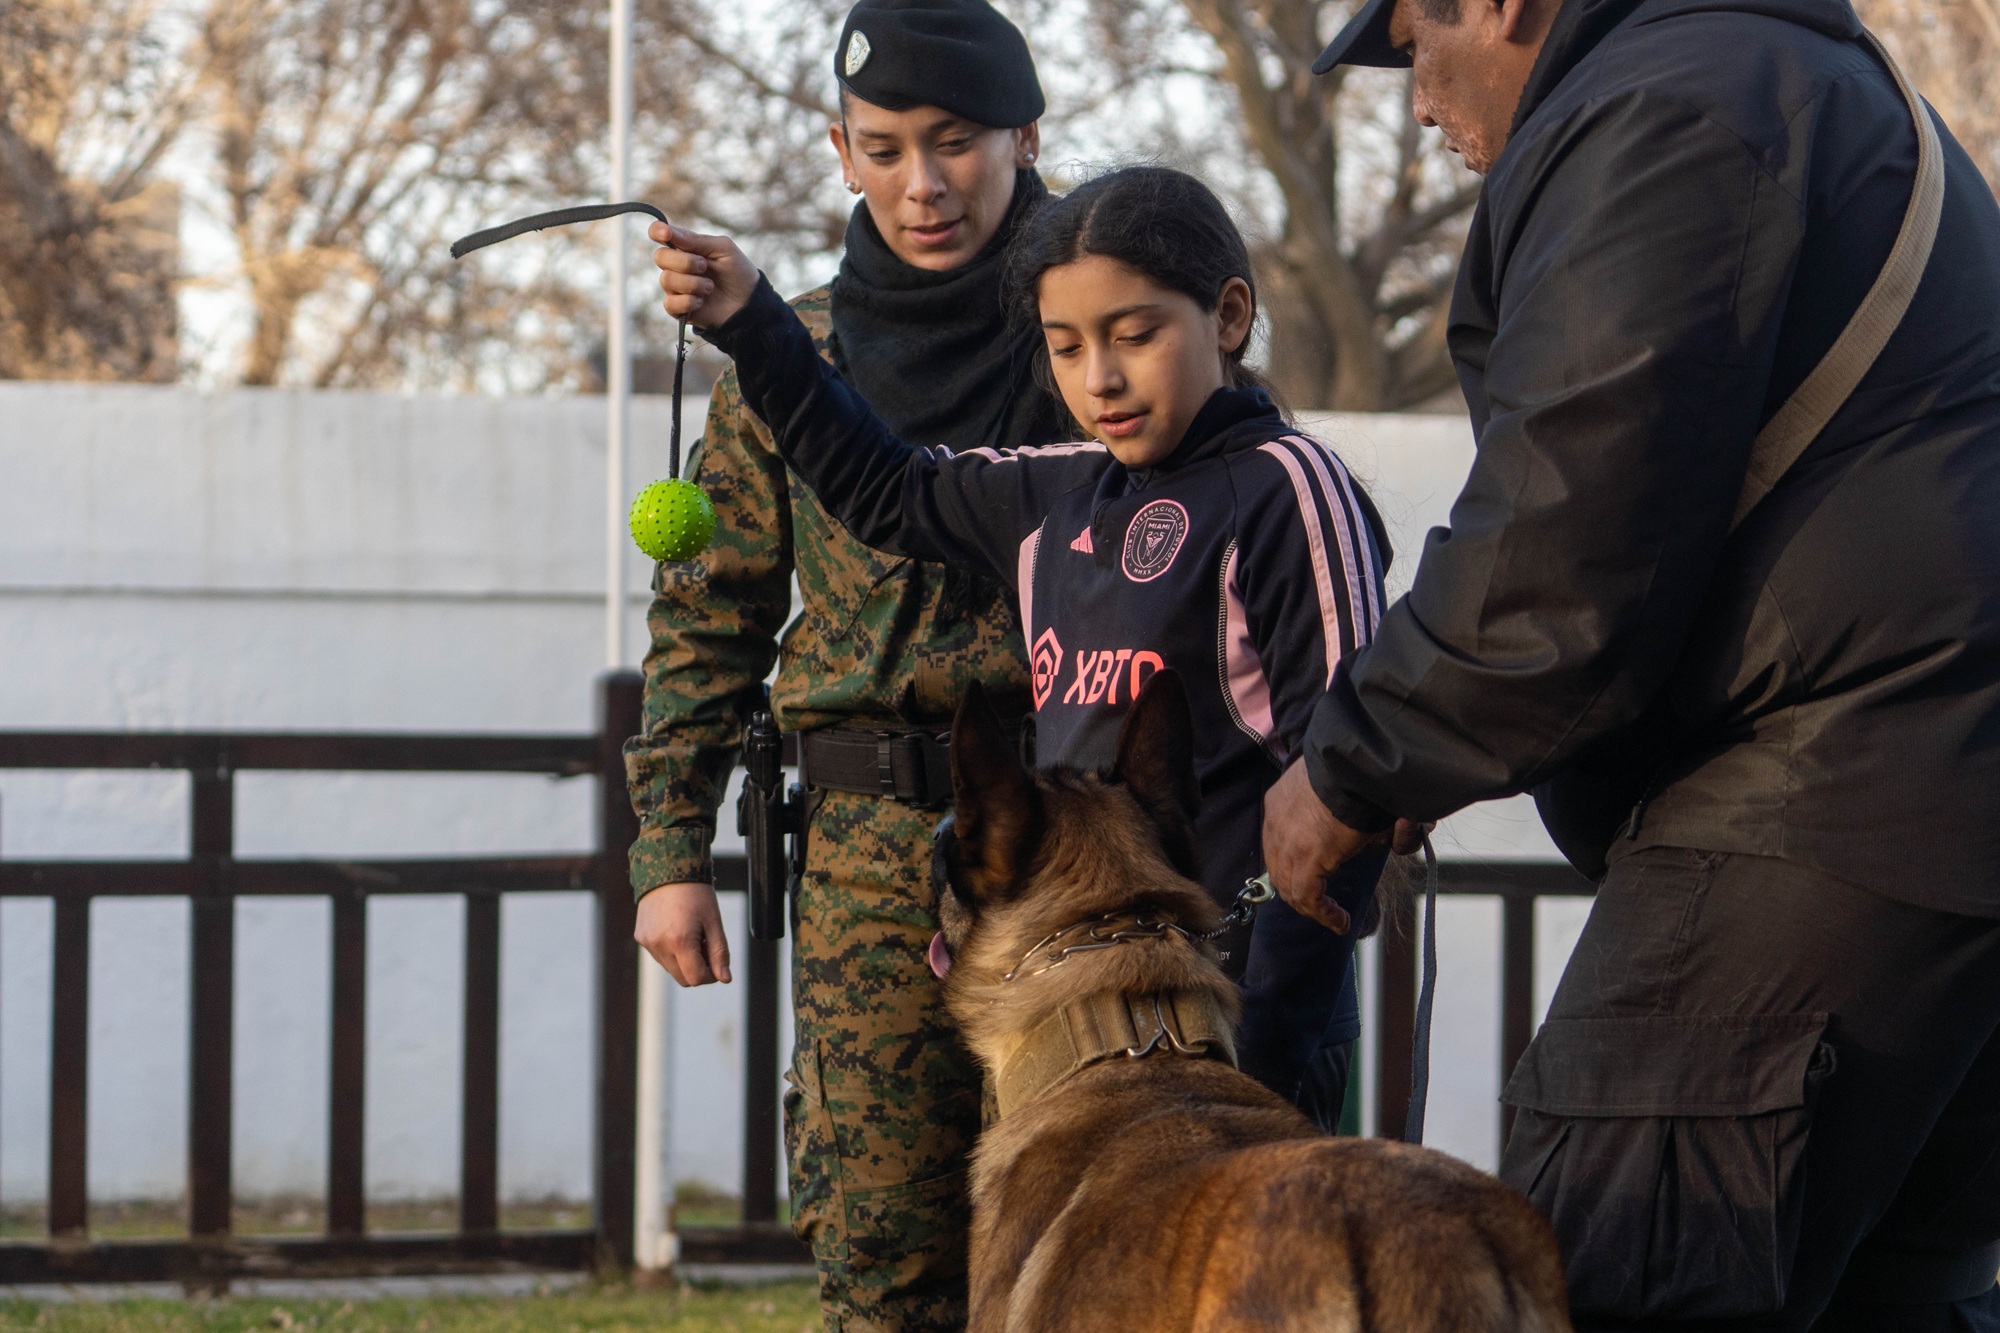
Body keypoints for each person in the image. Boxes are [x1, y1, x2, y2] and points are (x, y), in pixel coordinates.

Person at [1275, 0, 2000, 1323]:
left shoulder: (1667, 103)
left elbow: (1568, 525)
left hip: (1826, 802)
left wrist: (1353, 762)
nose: (1420, 103)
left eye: (1412, 50)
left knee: (1607, 1279)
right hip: (1927, 828)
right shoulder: (1782, 78)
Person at [651, 165, 1397, 1128]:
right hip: (1084, 1019)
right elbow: (888, 489)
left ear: (1228, 315)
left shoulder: (1290, 487)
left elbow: (1348, 792)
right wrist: (755, 321)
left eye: (1135, 335)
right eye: (1066, 346)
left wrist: (1262, 1073)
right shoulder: (1062, 490)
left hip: (1246, 1019)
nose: (1101, 378)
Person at [621, 0, 1068, 1326]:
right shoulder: (785, 352)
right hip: (874, 847)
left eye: (954, 143)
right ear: (838, 148)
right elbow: (710, 614)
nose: (921, 185)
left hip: (1079, 836)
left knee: (1100, 1235)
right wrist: (670, 854)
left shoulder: (1097, 327)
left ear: (1024, 136)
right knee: (887, 1261)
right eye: (882, 147)